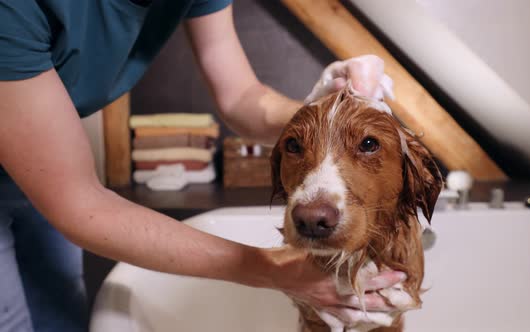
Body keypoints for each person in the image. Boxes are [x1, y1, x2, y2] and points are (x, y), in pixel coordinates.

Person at [0, 1, 404, 331]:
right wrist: (274, 269)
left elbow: (240, 97)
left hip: (38, 165)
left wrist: (324, 113)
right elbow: (79, 206)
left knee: (58, 316)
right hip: (49, 177)